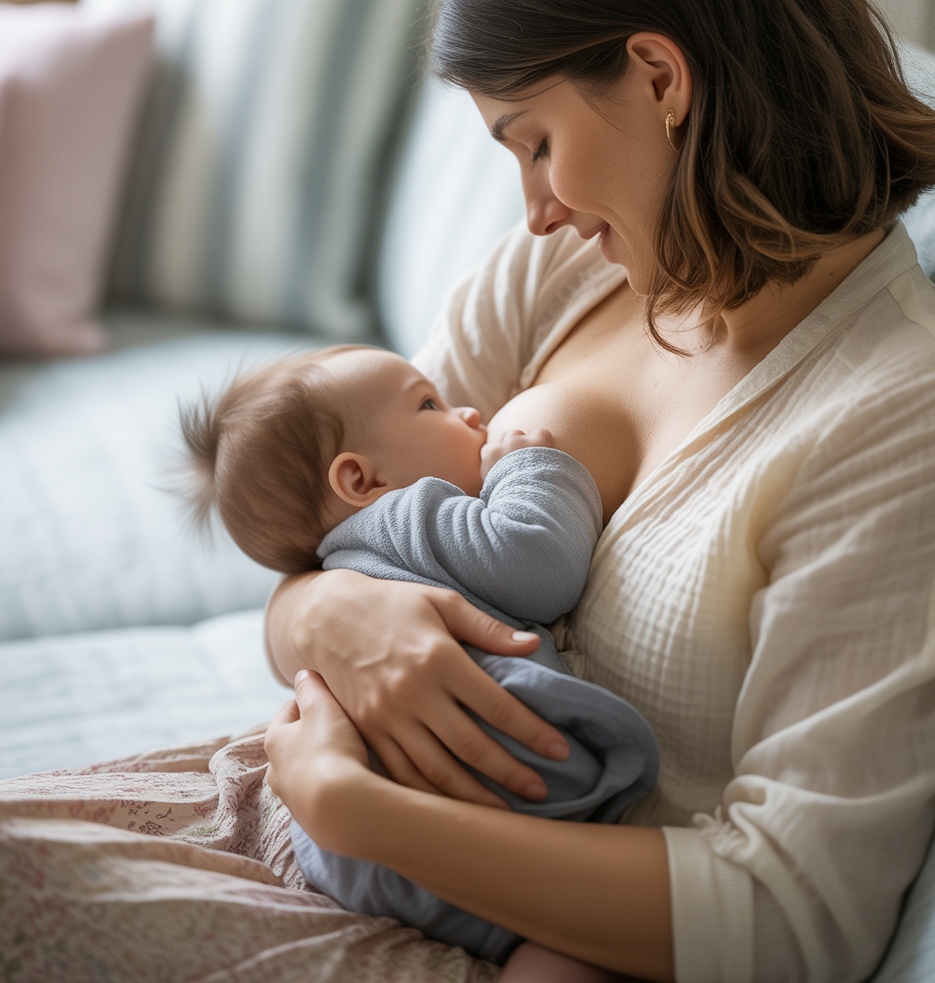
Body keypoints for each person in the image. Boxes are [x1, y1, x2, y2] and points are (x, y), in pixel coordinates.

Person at [260, 0, 935, 982]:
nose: (533, 210)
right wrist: (323, 618)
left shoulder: (899, 410)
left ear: (661, 78)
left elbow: (793, 918)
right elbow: (334, 514)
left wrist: (361, 815)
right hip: (319, 837)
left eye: (535, 143)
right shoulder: (566, 275)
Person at [178, 343, 659, 980]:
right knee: (563, 941)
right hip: (490, 798)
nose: (468, 413)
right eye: (429, 403)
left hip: (346, 855)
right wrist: (533, 465)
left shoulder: (348, 560)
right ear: (361, 481)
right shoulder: (408, 515)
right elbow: (539, 569)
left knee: (535, 944)